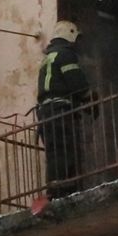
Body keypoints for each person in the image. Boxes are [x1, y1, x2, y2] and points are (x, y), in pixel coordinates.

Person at [34, 20, 92, 196]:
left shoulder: (48, 57)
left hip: (45, 112)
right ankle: (66, 189)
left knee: (54, 152)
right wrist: (90, 99)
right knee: (66, 149)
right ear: (70, 34)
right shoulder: (65, 54)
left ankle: (54, 189)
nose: (77, 43)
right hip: (61, 110)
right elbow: (76, 82)